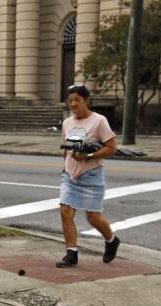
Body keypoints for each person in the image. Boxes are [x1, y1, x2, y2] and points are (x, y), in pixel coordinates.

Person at [57, 84, 120, 268]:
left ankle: (111, 240)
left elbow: (111, 148)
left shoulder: (99, 121)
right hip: (70, 174)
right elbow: (65, 149)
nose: (73, 104)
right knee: (65, 211)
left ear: (86, 100)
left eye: (77, 100)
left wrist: (88, 155)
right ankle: (71, 253)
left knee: (92, 217)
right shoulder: (67, 123)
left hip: (91, 175)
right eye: (70, 101)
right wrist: (64, 168)